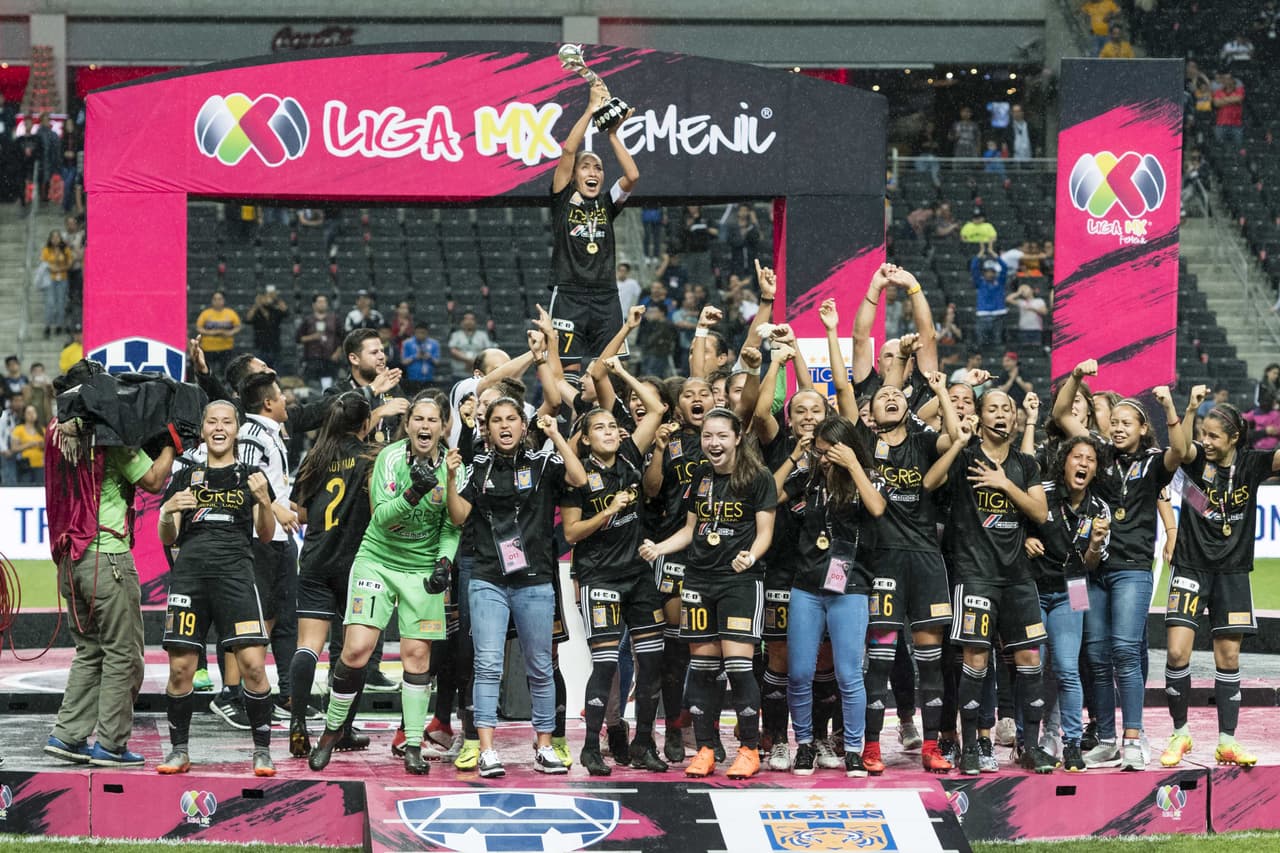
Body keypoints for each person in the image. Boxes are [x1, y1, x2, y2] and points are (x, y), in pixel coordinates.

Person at [309, 393, 461, 774]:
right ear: (408, 424)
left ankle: (412, 745)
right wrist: (414, 492)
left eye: (433, 420)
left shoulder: (454, 468)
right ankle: (332, 730)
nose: (425, 426)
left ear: (444, 427)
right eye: (418, 419)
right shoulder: (390, 459)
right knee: (357, 649)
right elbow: (381, 520)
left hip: (422, 568)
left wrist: (444, 562)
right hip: (377, 561)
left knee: (417, 657)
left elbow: (451, 526)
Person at [42, 361, 177, 768]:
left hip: (70, 560)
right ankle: (112, 745)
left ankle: (67, 735)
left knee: (89, 649)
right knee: (124, 653)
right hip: (108, 557)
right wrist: (173, 442)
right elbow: (153, 481)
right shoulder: (107, 438)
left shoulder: (55, 433)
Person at [1054, 362, 1187, 770]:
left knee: (1126, 651)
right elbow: (1061, 415)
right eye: (1114, 421)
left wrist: (1168, 408)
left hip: (1131, 569)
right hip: (1089, 572)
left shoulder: (1152, 463)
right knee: (1093, 654)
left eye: (1127, 422)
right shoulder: (1098, 456)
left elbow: (1181, 451)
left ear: (1143, 428)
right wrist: (1075, 377)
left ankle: (1133, 737)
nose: (1118, 427)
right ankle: (1106, 738)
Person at [446, 400, 587, 778]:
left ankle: (543, 747)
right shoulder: (477, 467)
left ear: (524, 426)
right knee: (488, 665)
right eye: (497, 421)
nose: (504, 426)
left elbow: (579, 479)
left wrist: (556, 434)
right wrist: (450, 477)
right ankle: (487, 751)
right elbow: (458, 517)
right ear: (487, 429)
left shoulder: (544, 463)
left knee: (540, 666)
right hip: (488, 578)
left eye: (511, 420)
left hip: (535, 580)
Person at [639, 407, 776, 780]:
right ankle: (705, 749)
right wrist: (661, 548)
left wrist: (751, 555)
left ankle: (748, 748)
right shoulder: (700, 475)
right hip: (698, 580)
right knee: (701, 669)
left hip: (739, 582)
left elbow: (765, 531)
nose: (713, 443)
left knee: (738, 667)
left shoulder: (758, 477)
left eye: (721, 436)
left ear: (736, 439)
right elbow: (692, 528)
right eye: (707, 437)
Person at [925, 390, 1053, 775]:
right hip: (975, 575)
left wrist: (1004, 485)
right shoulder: (965, 457)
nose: (1001, 414)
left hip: (1017, 578)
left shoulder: (1025, 464)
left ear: (1015, 420)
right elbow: (930, 482)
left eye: (1007, 410)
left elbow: (1041, 513)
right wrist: (960, 441)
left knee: (1030, 658)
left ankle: (1028, 747)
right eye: (993, 408)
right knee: (975, 659)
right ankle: (968, 747)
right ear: (980, 417)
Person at [156, 400, 278, 777]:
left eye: (227, 421)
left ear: (237, 429)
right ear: (204, 429)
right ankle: (179, 750)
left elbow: (266, 534)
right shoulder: (183, 477)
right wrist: (165, 512)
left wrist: (264, 502)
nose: (219, 427)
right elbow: (169, 537)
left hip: (237, 578)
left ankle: (262, 751)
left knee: (254, 666)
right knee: (181, 669)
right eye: (212, 421)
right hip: (190, 579)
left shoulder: (252, 476)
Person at [1159, 395, 1280, 769]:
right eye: (1202, 434)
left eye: (1213, 436)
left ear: (1233, 438)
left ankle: (1227, 741)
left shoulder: (1251, 464)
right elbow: (1178, 448)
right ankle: (1180, 733)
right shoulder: (1195, 461)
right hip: (1191, 566)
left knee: (1228, 657)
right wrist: (1178, 411)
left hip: (1232, 571)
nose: (1206, 441)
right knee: (1178, 652)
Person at [563, 358, 667, 774]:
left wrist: (623, 376)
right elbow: (571, 534)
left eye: (612, 425)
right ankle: (590, 747)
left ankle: (644, 743)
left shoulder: (628, 453)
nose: (610, 432)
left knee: (652, 661)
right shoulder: (576, 477)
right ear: (585, 440)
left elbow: (657, 411)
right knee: (606, 664)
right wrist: (607, 511)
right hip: (599, 576)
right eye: (599, 428)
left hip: (638, 575)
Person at [775, 416, 885, 777]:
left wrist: (853, 464)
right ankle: (804, 745)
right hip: (806, 586)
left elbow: (878, 507)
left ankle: (853, 749)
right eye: (819, 452)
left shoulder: (867, 473)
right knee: (800, 672)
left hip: (849, 586)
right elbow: (771, 494)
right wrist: (796, 457)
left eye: (829, 452)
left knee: (849, 674)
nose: (823, 459)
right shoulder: (808, 478)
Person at [287, 392, 375, 759]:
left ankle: (296, 723)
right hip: (357, 563)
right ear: (366, 424)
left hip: (316, 560)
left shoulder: (317, 457)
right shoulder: (372, 458)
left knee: (308, 646)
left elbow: (299, 512)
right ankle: (341, 729)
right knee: (353, 652)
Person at [1026, 436, 1112, 773]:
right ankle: (1028, 740)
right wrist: (1026, 539)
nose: (1084, 464)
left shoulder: (1099, 510)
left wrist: (1094, 545)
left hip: (1073, 589)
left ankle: (1072, 744)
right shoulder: (1042, 492)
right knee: (1033, 665)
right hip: (1033, 587)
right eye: (1078, 457)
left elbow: (1091, 564)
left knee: (1066, 667)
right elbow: (1015, 525)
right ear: (1065, 462)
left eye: (1090, 459)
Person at [548, 80, 639, 365]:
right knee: (570, 368)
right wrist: (590, 109)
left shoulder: (607, 203)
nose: (592, 171)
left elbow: (633, 176)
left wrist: (613, 135)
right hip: (569, 294)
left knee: (610, 368)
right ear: (574, 176)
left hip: (606, 296)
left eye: (597, 167)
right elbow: (568, 152)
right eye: (585, 166)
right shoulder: (563, 198)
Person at [297, 294, 341, 389]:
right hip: (313, 360)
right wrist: (313, 337)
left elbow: (342, 338)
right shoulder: (307, 320)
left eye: (324, 302)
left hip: (330, 359)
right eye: (320, 302)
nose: (322, 304)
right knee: (313, 388)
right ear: (314, 305)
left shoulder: (334, 319)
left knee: (330, 388)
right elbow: (299, 339)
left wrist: (338, 353)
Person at [196, 291, 242, 380]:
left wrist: (230, 333)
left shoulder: (230, 313)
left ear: (224, 300)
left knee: (225, 373)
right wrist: (210, 333)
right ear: (212, 301)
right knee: (208, 372)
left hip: (226, 348)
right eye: (215, 299)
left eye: (220, 299)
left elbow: (238, 326)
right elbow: (198, 328)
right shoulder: (205, 313)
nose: (217, 301)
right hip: (208, 348)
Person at [970, 255, 1010, 346]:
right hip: (983, 315)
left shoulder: (1000, 282)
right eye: (987, 272)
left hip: (998, 316)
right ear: (984, 273)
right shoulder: (980, 282)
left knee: (997, 342)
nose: (990, 274)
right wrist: (978, 257)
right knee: (981, 342)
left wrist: (996, 257)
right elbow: (974, 269)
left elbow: (1004, 268)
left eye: (992, 272)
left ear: (995, 273)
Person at [246, 286, 289, 369]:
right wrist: (256, 304)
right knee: (260, 371)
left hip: (275, 346)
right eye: (265, 297)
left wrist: (276, 299)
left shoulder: (275, 310)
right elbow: (248, 319)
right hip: (260, 346)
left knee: (276, 371)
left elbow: (286, 312)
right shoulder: (256, 311)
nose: (267, 299)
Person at [41, 229, 73, 339]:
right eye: (53, 237)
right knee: (50, 303)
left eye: (57, 237)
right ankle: (48, 326)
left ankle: (59, 325)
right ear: (50, 239)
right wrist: (53, 268)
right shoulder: (47, 250)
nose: (55, 239)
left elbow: (70, 263)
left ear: (60, 239)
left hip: (62, 278)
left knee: (61, 302)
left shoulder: (66, 250)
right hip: (50, 279)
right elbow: (44, 263)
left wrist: (60, 268)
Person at [447, 312, 493, 379]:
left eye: (472, 319)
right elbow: (453, 351)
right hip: (459, 373)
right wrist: (468, 360)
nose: (469, 321)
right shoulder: (456, 335)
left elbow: (487, 351)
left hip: (478, 373)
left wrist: (475, 361)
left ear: (475, 322)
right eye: (466, 319)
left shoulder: (483, 335)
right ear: (462, 322)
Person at [10, 404, 45, 485]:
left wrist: (42, 445)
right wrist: (29, 444)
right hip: (25, 466)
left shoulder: (42, 430)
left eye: (33, 412)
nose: (32, 415)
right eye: (29, 412)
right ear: (24, 415)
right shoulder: (18, 429)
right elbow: (13, 448)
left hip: (40, 465)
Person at [401, 322, 441, 389]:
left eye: (423, 332)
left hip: (428, 379)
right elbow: (403, 362)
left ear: (427, 333)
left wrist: (430, 357)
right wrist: (415, 357)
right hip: (412, 379)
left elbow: (437, 363)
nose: (420, 335)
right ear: (414, 332)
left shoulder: (434, 344)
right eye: (418, 332)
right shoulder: (407, 343)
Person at [1211, 72, 1245, 147]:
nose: (1226, 81)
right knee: (1219, 148)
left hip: (1236, 125)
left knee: (1238, 148)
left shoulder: (1239, 89)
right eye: (1224, 79)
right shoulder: (1218, 91)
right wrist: (1232, 100)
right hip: (1221, 124)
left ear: (1233, 80)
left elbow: (1239, 99)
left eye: (1228, 79)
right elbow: (1216, 103)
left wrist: (1223, 100)